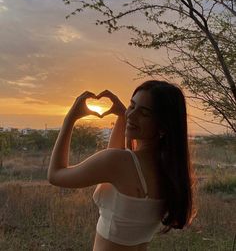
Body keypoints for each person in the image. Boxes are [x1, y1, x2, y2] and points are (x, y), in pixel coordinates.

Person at [47, 80, 197, 251]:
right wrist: (121, 118)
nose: (131, 115)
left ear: (163, 126)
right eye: (131, 107)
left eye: (144, 113)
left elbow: (55, 174)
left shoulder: (119, 163)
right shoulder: (169, 172)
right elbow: (114, 164)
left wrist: (70, 118)